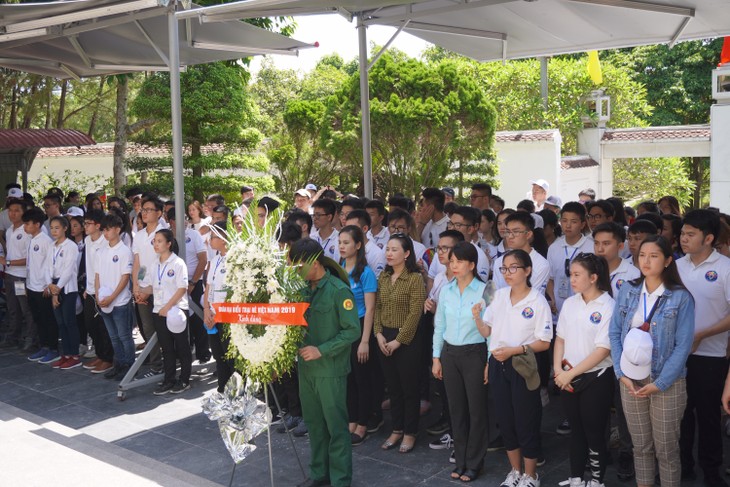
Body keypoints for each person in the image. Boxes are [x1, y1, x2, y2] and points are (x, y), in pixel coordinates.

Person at [608, 235, 695, 487]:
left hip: (666, 382)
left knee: (666, 449)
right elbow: (614, 333)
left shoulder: (680, 297)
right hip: (630, 378)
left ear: (668, 260)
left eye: (654, 255)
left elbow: (683, 346)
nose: (646, 261)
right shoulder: (628, 289)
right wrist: (620, 373)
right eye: (642, 255)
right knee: (641, 446)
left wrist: (662, 382)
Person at [474, 249, 552, 487]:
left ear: (528, 271)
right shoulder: (498, 296)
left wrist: (514, 350)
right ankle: (515, 471)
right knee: (506, 420)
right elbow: (487, 331)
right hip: (498, 363)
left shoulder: (537, 300)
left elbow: (544, 342)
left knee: (526, 420)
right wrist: (477, 317)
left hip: (523, 363)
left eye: (513, 268)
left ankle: (531, 475)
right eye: (504, 268)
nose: (507, 273)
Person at [289, 238, 360, 487]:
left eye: (299, 266)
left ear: (315, 263)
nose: (296, 272)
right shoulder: (303, 289)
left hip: (330, 369)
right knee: (315, 425)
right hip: (306, 370)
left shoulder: (339, 290)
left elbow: (352, 331)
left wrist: (321, 350)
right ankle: (320, 474)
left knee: (336, 427)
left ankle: (340, 479)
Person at [677, 210, 730, 486]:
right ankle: (683, 466)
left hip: (711, 355)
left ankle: (712, 471)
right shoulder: (676, 266)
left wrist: (703, 334)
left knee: (709, 417)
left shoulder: (725, 268)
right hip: (679, 356)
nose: (683, 239)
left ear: (709, 238)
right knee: (681, 415)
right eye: (682, 233)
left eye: (690, 235)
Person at [553, 253, 615, 487]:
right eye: (571, 274)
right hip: (567, 377)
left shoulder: (608, 305)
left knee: (594, 431)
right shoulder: (571, 303)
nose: (572, 279)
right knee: (576, 429)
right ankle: (576, 477)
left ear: (594, 277)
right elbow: (560, 339)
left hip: (596, 377)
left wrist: (569, 373)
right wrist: (558, 370)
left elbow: (602, 350)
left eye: (577, 275)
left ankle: (597, 480)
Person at [432, 242, 488, 482]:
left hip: (475, 353)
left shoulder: (486, 290)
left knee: (476, 410)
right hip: (450, 353)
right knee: (456, 410)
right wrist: (436, 357)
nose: (453, 265)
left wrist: (488, 361)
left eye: (459, 261)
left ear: (472, 264)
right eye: (451, 261)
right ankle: (461, 459)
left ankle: (475, 462)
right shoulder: (446, 289)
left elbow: (492, 330)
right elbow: (439, 326)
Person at [374, 234, 426, 454]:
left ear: (406, 254)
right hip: (384, 336)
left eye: (394, 249)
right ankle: (396, 428)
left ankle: (410, 432)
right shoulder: (383, 277)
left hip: (407, 339)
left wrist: (399, 340)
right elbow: (376, 307)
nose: (389, 253)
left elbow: (416, 313)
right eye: (387, 249)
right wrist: (378, 334)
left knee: (409, 389)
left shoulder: (414, 278)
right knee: (393, 388)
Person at [338, 226, 378, 446]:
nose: (342, 246)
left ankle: (363, 424)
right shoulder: (339, 267)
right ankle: (351, 420)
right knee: (348, 378)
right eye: (340, 242)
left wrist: (364, 341)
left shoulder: (366, 272)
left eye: (347, 242)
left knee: (362, 379)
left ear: (359, 245)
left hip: (361, 326)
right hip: (344, 328)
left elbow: (371, 309)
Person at [151, 229, 192, 395]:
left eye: (160, 241)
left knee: (182, 346)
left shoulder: (177, 263)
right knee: (166, 348)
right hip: (159, 311)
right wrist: (140, 291)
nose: (156, 244)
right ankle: (169, 379)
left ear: (169, 244)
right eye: (155, 240)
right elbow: (152, 286)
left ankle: (184, 379)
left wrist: (168, 306)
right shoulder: (155, 264)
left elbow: (182, 288)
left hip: (175, 310)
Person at [96, 213, 135, 380]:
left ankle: (130, 367)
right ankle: (118, 364)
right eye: (103, 229)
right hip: (104, 301)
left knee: (124, 336)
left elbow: (125, 277)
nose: (106, 233)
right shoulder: (101, 251)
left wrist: (112, 297)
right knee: (113, 336)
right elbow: (97, 276)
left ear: (118, 229)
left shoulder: (125, 251)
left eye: (109, 229)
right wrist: (98, 296)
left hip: (120, 301)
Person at [167, 208, 209, 364]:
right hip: (173, 286)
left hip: (194, 283)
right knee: (179, 318)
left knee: (198, 318)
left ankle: (203, 352)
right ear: (171, 221)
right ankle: (182, 353)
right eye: (181, 218)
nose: (185, 220)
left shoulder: (194, 235)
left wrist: (192, 282)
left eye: (186, 217)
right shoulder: (166, 237)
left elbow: (203, 260)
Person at [132, 197, 165, 376]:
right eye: (143, 210)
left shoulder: (163, 233)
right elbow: (139, 263)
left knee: (164, 328)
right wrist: (137, 286)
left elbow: (162, 263)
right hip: (142, 288)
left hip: (160, 289)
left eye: (149, 209)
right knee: (148, 328)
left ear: (159, 213)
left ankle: (168, 364)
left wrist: (148, 289)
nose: (144, 213)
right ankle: (156, 365)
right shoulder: (139, 235)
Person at [23, 208, 59, 364]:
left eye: (28, 223)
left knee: (47, 319)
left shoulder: (46, 241)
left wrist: (48, 284)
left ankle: (53, 348)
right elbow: (31, 264)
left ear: (37, 224)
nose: (25, 226)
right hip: (32, 286)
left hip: (43, 288)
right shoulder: (32, 239)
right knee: (38, 318)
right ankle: (44, 346)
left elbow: (51, 264)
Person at [81, 210, 114, 374]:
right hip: (91, 289)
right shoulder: (87, 240)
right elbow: (90, 266)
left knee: (103, 326)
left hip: (104, 289)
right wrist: (88, 288)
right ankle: (100, 354)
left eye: (88, 223)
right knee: (90, 324)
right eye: (84, 223)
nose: (85, 226)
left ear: (98, 225)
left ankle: (108, 358)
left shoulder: (105, 242)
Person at [203, 222, 235, 393]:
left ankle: (236, 394)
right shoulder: (214, 259)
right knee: (218, 356)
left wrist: (218, 314)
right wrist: (207, 310)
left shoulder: (235, 259)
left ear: (224, 238)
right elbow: (209, 286)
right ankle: (222, 389)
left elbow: (235, 291)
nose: (210, 240)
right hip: (212, 314)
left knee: (230, 357)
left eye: (213, 236)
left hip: (227, 316)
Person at [547, 202, 594, 316]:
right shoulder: (554, 247)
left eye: (573, 222)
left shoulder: (592, 248)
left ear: (582, 224)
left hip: (583, 311)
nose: (568, 225)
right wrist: (553, 299)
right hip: (558, 310)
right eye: (564, 221)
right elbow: (550, 279)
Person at [0, 199, 36, 350]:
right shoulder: (9, 231)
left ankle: (31, 339)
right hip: (9, 276)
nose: (13, 214)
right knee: (12, 308)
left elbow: (30, 259)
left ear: (23, 212)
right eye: (10, 210)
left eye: (17, 210)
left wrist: (8, 263)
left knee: (26, 309)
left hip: (21, 277)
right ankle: (13, 337)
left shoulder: (27, 231)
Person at [48, 216, 81, 369]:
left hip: (67, 287)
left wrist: (57, 289)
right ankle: (66, 354)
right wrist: (50, 284)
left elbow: (68, 270)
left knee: (69, 321)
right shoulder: (51, 246)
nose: (54, 231)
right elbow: (47, 267)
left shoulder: (71, 246)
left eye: (57, 227)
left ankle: (74, 355)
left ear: (65, 228)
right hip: (54, 285)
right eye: (52, 228)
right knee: (60, 322)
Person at [492, 211, 550, 293]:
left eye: (516, 232)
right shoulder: (499, 262)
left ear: (528, 234)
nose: (510, 236)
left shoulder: (541, 264)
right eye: (508, 232)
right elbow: (495, 295)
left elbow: (532, 296)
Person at [344, 209, 386, 277]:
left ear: (365, 229)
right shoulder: (345, 249)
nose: (348, 232)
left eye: (352, 228)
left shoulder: (376, 254)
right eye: (346, 228)